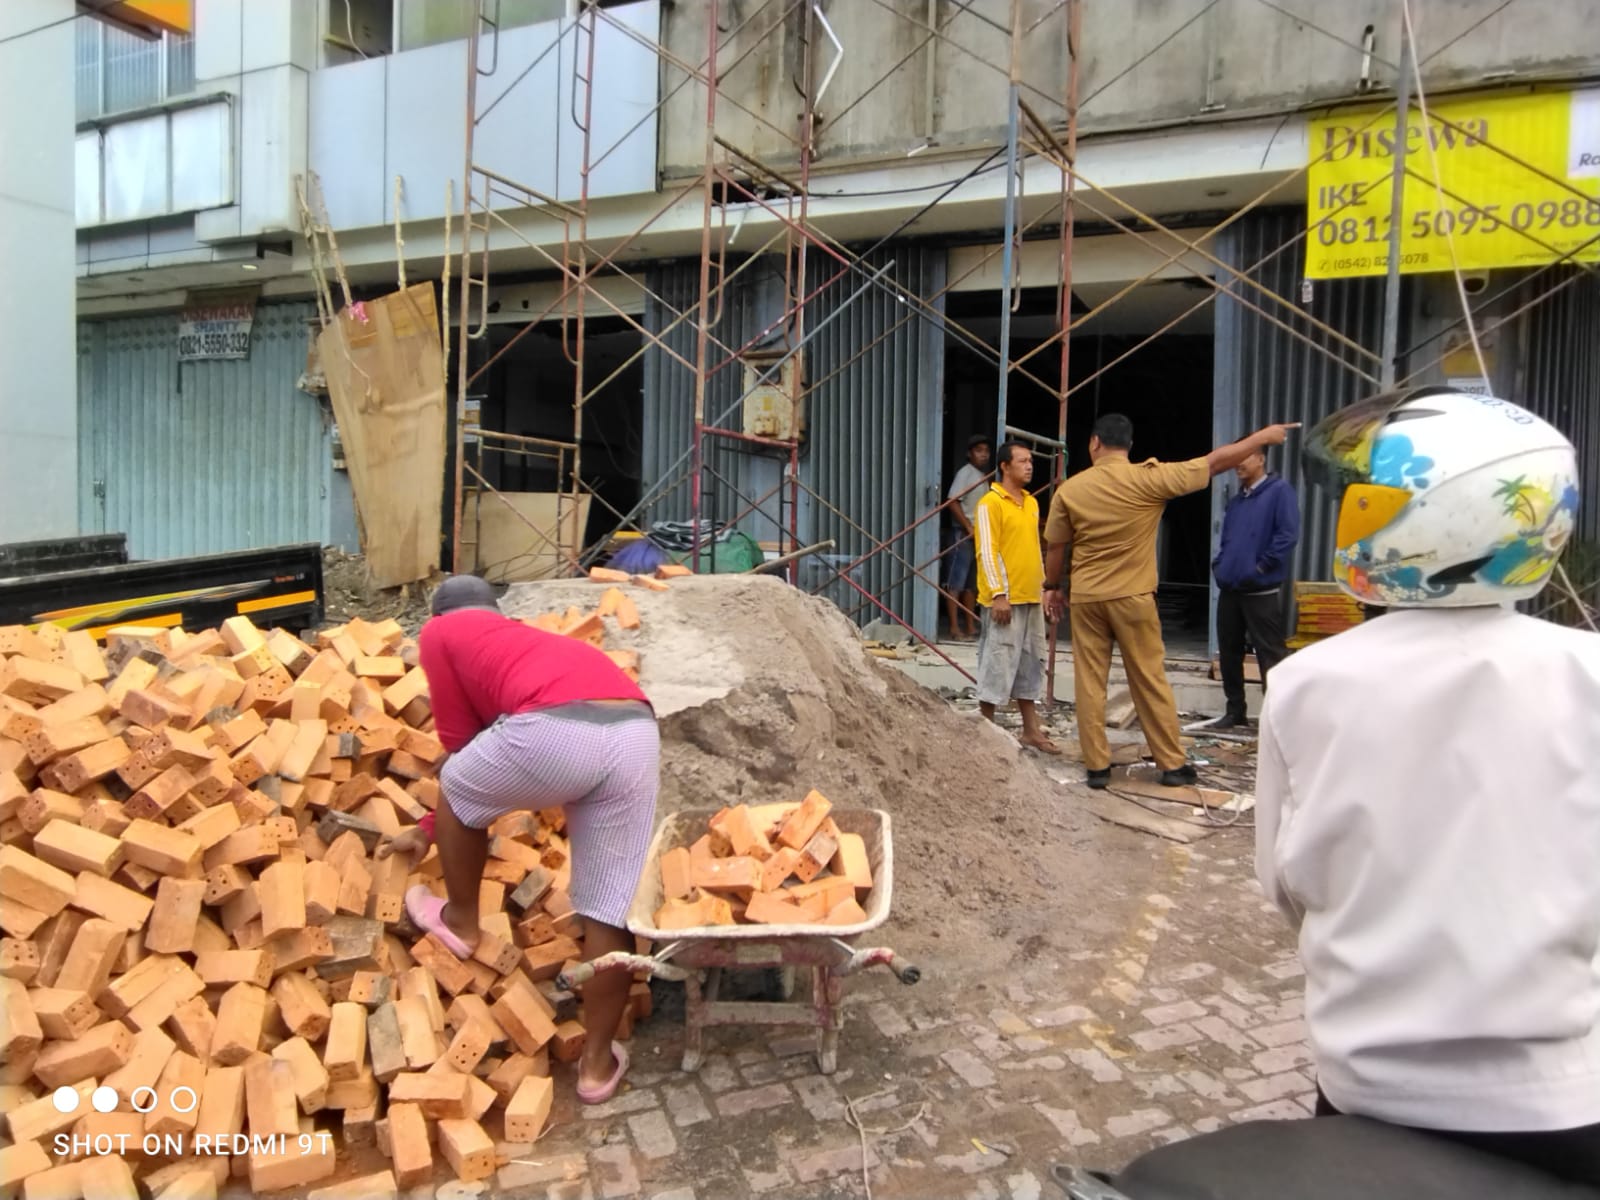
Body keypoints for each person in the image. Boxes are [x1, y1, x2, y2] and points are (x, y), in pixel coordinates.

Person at [1256, 388, 1598, 1187]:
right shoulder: (1588, 674)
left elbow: (1282, 887)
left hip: (1369, 1089)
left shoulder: (1306, 682)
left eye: (1365, 500)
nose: (1349, 516)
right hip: (1564, 1095)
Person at [378, 574, 659, 1105]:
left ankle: (460, 918)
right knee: (607, 908)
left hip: (559, 730)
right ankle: (597, 1067)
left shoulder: (441, 633)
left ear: (441, 614)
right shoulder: (523, 640)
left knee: (458, 782)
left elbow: (462, 746)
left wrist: (432, 826)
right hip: (636, 732)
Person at [1042, 413, 1300, 790]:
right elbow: (1215, 462)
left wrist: (1052, 586)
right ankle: (1171, 765)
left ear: (1094, 443)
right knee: (1149, 679)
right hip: (1133, 598)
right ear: (1129, 447)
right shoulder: (1150, 478)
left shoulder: (1072, 489)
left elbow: (1056, 547)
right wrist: (1262, 436)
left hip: (1088, 599)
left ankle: (1097, 767)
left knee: (1090, 682)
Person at [973, 440, 1060, 754]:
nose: (1029, 466)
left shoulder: (1031, 503)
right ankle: (986, 731)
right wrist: (999, 594)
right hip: (1004, 599)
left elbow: (1036, 550)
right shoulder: (990, 503)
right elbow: (987, 551)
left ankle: (1031, 730)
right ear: (1005, 466)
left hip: (1030, 596)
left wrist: (1044, 588)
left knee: (1029, 663)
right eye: (1022, 461)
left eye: (1031, 462)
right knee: (997, 662)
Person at [1207, 444, 1300, 728]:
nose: (1237, 464)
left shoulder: (1279, 492)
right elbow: (1228, 542)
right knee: (1229, 652)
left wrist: (1260, 567)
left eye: (1244, 457)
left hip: (1261, 590)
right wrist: (1220, 567)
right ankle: (1235, 711)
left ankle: (1277, 719)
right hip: (1231, 589)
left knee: (1270, 653)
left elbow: (1287, 535)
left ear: (1260, 459)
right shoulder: (1237, 501)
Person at [944, 434, 992, 641]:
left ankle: (970, 626)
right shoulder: (966, 473)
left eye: (986, 451)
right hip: (962, 535)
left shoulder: (981, 476)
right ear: (969, 453)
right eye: (978, 450)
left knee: (971, 584)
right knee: (955, 583)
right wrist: (967, 526)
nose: (983, 455)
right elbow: (952, 501)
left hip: (977, 536)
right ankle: (955, 629)